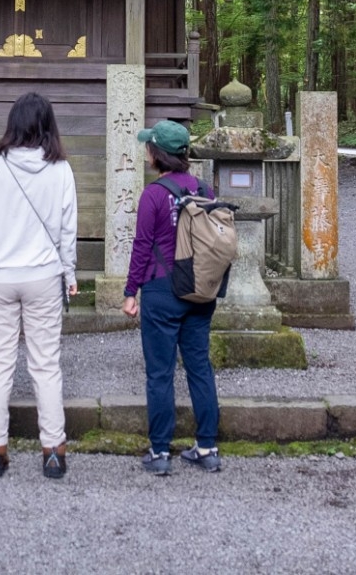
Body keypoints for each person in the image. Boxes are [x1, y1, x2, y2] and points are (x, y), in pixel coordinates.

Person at [0, 91, 79, 479]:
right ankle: (53, 449)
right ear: (48, 125)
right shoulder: (60, 170)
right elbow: (68, 231)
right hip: (43, 276)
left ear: (12, 125)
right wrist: (70, 274)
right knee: (45, 365)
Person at [123, 118, 220, 476]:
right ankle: (207, 447)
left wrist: (130, 291)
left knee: (160, 373)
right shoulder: (205, 190)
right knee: (199, 367)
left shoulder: (153, 195)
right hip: (199, 290)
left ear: (156, 153)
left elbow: (142, 247)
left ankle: (160, 452)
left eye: (149, 146)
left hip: (162, 290)